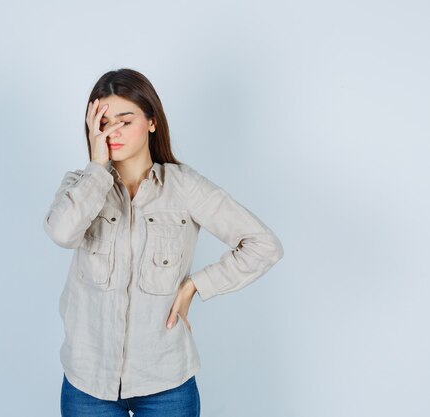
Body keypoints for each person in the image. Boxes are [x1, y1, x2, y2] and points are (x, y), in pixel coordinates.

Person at [43, 68, 284, 417]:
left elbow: (263, 244)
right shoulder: (79, 187)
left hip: (165, 383)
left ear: (152, 121)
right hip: (88, 383)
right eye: (104, 122)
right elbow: (62, 233)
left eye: (125, 120)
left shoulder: (184, 187)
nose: (114, 132)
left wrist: (195, 285)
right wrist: (97, 168)